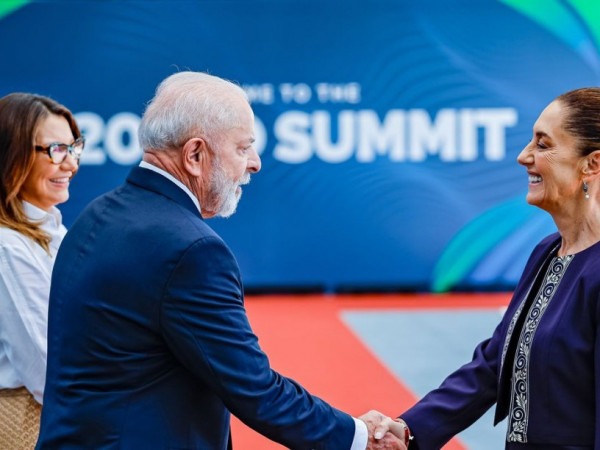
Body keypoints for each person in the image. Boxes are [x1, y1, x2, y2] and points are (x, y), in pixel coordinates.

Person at [35, 71, 405, 450]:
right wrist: (360, 438)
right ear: (195, 155)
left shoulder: (97, 215)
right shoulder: (192, 250)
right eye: (243, 148)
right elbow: (255, 388)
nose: (255, 163)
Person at [379, 87, 600, 449]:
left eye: (542, 144)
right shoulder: (546, 252)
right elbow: (495, 361)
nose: (523, 156)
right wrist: (408, 430)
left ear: (591, 164)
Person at [0, 93, 84, 448]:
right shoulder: (7, 246)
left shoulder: (54, 232)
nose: (71, 164)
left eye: (74, 148)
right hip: (26, 422)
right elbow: (44, 368)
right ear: (13, 156)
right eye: (56, 150)